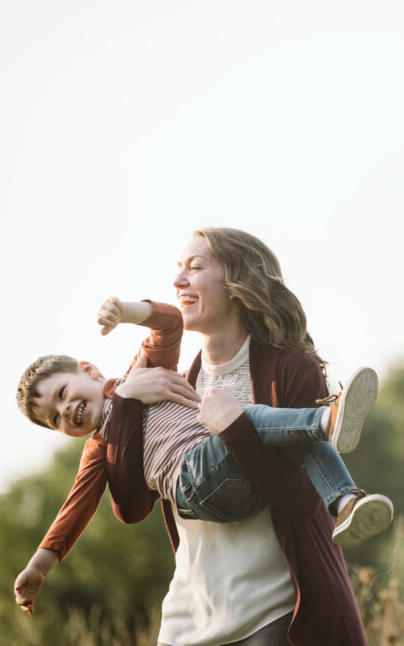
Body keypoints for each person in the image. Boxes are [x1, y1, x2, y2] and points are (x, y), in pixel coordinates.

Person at [55, 228, 368, 645]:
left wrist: (237, 429)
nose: (178, 281)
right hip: (187, 623)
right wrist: (126, 398)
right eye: (177, 269)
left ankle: (341, 471)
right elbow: (130, 505)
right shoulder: (177, 386)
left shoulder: (291, 369)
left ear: (238, 283)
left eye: (195, 267)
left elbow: (302, 501)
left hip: (273, 616)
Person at [12, 299, 393, 619]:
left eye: (62, 394)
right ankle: (328, 419)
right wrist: (38, 567)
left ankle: (344, 503)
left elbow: (170, 324)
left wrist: (125, 311)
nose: (66, 411)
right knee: (254, 418)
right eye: (55, 419)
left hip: (235, 474)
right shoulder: (100, 448)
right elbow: (74, 508)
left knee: (288, 436)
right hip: (196, 481)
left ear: (89, 370)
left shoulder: (142, 371)